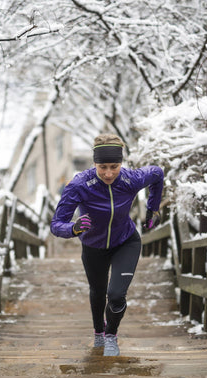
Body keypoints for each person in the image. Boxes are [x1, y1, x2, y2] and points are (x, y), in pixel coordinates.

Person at [50, 133, 164, 356]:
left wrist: (153, 207)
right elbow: (56, 224)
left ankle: (111, 335)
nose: (109, 173)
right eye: (103, 166)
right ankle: (98, 333)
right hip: (93, 246)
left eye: (115, 166)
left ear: (121, 163)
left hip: (126, 241)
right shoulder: (80, 185)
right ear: (94, 163)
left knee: (116, 295)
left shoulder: (131, 179)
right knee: (98, 291)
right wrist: (72, 228)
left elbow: (157, 173)